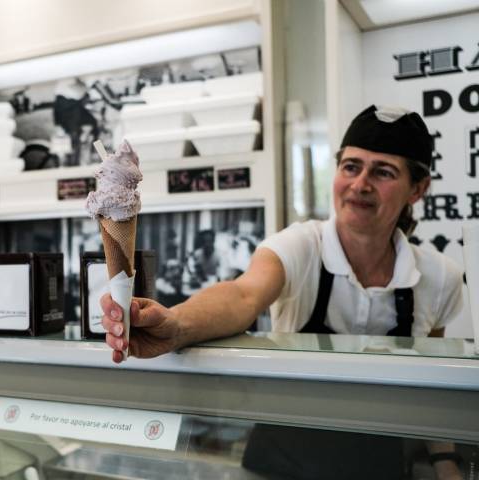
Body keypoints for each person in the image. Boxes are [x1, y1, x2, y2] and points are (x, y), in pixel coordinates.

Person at [100, 105, 465, 480]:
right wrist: (175, 324)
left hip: (377, 462)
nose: (360, 184)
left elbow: (433, 378)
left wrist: (445, 460)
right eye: (351, 166)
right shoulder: (300, 245)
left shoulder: (439, 279)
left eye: (383, 172)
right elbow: (243, 295)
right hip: (282, 458)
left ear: (417, 190)